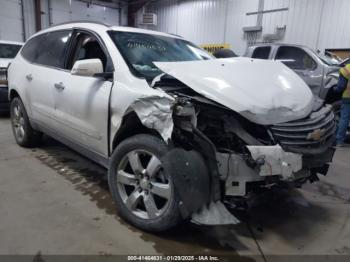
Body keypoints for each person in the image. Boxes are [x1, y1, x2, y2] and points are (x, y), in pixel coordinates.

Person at [335, 64, 350, 147]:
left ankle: (339, 141)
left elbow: (341, 86)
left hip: (348, 97)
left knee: (344, 119)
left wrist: (335, 90)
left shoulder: (347, 69)